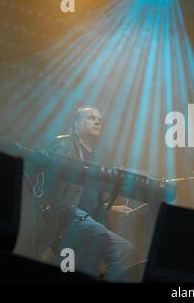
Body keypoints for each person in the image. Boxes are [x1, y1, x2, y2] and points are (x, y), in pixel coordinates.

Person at [43, 106, 135, 281]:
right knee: (110, 242)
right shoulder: (63, 146)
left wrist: (113, 208)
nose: (98, 121)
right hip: (67, 215)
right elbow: (50, 184)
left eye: (99, 119)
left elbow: (89, 198)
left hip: (87, 219)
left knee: (125, 249)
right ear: (77, 125)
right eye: (91, 118)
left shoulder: (97, 158)